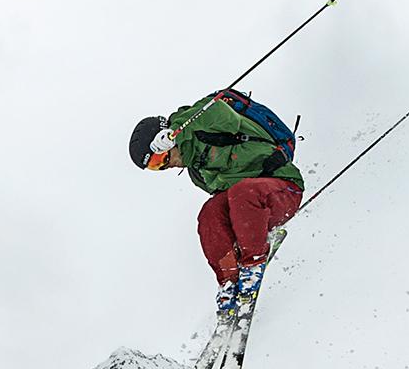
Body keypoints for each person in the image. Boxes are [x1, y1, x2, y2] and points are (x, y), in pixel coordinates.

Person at [130, 94, 305, 319]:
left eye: (159, 159)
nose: (166, 165)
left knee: (242, 193)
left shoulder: (202, 122)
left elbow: (220, 112)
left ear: (166, 140)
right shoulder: (198, 174)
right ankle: (229, 281)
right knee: (209, 213)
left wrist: (178, 128)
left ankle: (253, 264)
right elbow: (226, 209)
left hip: (283, 189)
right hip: (253, 210)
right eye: (156, 168)